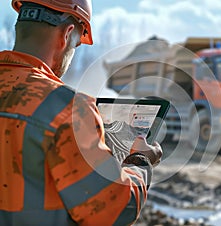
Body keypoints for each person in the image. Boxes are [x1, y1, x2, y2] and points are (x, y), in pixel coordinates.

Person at [0, 0, 163, 225]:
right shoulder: (68, 108)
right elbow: (114, 211)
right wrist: (140, 159)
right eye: (77, 45)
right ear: (67, 35)